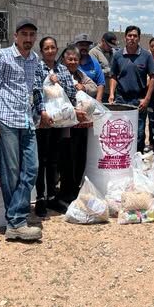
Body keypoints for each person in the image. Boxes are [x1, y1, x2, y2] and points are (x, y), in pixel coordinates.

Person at [0, 18, 49, 242]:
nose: (28, 39)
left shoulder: (34, 59)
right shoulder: (1, 57)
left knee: (32, 169)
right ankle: (17, 222)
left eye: (32, 35)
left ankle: (14, 218)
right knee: (10, 172)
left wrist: (39, 112)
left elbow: (34, 89)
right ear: (15, 36)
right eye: (24, 34)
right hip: (6, 121)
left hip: (27, 121)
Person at [34, 36, 77, 216]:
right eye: (47, 48)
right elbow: (36, 91)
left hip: (59, 121)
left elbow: (71, 92)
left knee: (54, 160)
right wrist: (42, 112)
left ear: (57, 49)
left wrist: (57, 82)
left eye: (53, 47)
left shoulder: (63, 69)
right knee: (41, 160)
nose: (50, 51)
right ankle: (40, 198)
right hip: (43, 121)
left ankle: (52, 196)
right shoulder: (37, 68)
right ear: (42, 51)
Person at [109, 25, 154, 152]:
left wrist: (147, 99)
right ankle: (122, 157)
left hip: (139, 101)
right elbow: (113, 76)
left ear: (139, 38)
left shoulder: (146, 55)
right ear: (125, 37)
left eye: (135, 36)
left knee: (138, 133)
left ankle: (137, 159)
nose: (132, 38)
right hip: (121, 99)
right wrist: (112, 94)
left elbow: (153, 76)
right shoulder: (118, 55)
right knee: (121, 131)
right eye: (129, 35)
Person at [58, 45, 97, 203]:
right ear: (64, 60)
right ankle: (65, 192)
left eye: (76, 59)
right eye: (70, 59)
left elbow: (93, 87)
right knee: (66, 158)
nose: (73, 62)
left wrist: (83, 87)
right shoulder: (59, 74)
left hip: (81, 125)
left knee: (80, 156)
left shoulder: (80, 75)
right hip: (65, 125)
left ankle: (75, 189)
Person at [74, 33, 105, 101]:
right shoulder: (71, 62)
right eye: (81, 45)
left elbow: (100, 83)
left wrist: (98, 100)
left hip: (90, 101)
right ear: (76, 46)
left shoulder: (94, 63)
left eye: (87, 45)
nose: (84, 47)